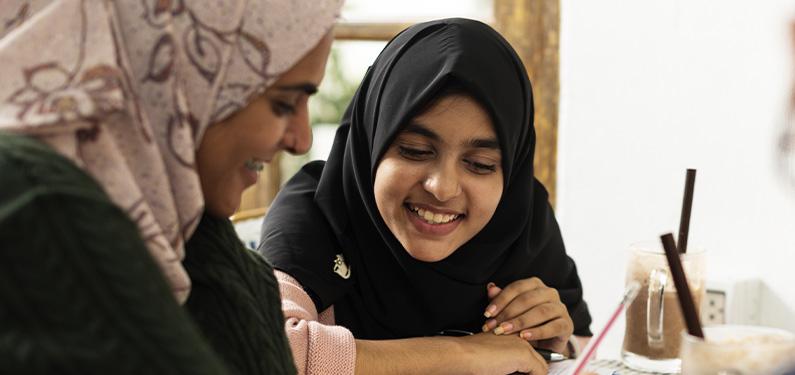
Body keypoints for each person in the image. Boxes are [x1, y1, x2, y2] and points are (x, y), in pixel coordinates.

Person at [0, 0, 342, 373]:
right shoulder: (38, 202)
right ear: (174, 73)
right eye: (283, 103)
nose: (302, 140)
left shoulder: (187, 230)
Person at [260, 18, 592, 374]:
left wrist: (556, 346)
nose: (442, 188)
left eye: (480, 164)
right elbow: (263, 352)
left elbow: (585, 347)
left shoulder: (520, 221)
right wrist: (464, 355)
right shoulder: (314, 217)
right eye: (415, 150)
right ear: (372, 141)